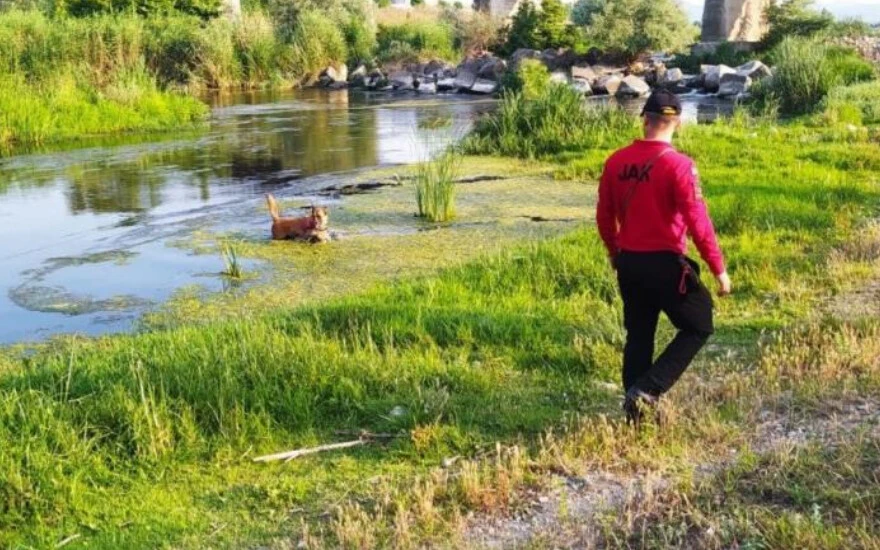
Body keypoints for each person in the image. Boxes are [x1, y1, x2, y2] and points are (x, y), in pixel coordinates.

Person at [596, 90, 732, 427]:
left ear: (644, 120)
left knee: (639, 334)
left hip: (629, 262)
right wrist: (719, 269)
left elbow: (604, 215)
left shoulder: (616, 161)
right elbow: (698, 222)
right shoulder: (680, 165)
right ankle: (647, 390)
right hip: (666, 263)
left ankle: (636, 416)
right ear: (678, 123)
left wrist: (615, 252)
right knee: (699, 324)